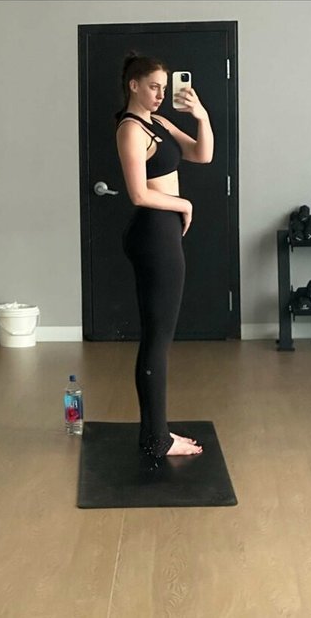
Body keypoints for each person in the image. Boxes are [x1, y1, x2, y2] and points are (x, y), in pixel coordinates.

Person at [115, 51, 214, 457]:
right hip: (153, 233)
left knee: (161, 336)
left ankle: (157, 433)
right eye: (153, 86)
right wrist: (184, 204)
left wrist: (201, 115)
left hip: (164, 232)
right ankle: (157, 438)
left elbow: (202, 154)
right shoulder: (131, 129)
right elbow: (138, 194)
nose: (159, 94)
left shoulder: (159, 123)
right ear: (133, 85)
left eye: (163, 87)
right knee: (157, 338)